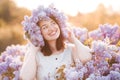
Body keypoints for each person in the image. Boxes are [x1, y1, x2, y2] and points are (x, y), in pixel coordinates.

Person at [20, 5, 92, 80]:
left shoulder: (71, 49)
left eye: (53, 23)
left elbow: (87, 58)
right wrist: (33, 49)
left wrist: (74, 39)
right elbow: (26, 78)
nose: (51, 28)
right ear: (38, 33)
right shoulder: (35, 55)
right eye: (45, 27)